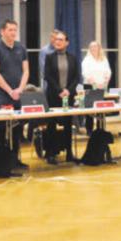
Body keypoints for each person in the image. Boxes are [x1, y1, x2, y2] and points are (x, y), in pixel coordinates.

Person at [0, 19, 30, 167]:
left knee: (17, 129)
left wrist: (20, 89)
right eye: (10, 30)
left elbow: (26, 71)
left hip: (18, 93)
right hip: (2, 94)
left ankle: (14, 160)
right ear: (2, 31)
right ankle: (0, 163)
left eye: (15, 30)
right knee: (1, 128)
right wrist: (9, 90)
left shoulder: (21, 48)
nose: (13, 33)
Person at [41, 30, 79, 164]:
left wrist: (68, 91)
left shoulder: (73, 58)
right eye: (56, 39)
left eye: (61, 40)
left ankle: (69, 153)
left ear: (67, 43)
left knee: (68, 124)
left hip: (68, 96)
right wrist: (59, 91)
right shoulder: (49, 57)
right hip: (53, 95)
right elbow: (47, 76)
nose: (57, 42)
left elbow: (76, 77)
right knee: (51, 125)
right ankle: (51, 153)